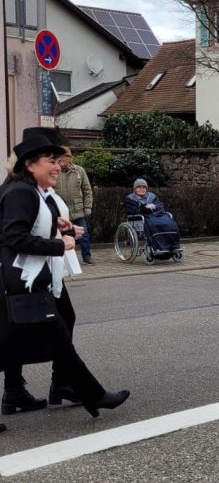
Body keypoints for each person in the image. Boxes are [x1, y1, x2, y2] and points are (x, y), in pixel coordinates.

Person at [0, 131, 130, 429]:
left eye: (58, 161)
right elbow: (14, 237)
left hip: (24, 281)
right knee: (54, 338)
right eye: (51, 161)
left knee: (23, 341)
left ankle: (72, 391)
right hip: (20, 282)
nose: (58, 166)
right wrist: (61, 245)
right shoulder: (21, 192)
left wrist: (58, 227)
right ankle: (90, 393)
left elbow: (21, 228)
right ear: (30, 164)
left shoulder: (27, 191)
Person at [56, 147, 94, 265]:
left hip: (78, 210)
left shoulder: (79, 171)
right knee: (62, 236)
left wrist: (88, 207)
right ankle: (63, 260)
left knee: (84, 235)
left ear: (70, 158)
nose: (62, 159)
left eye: (65, 157)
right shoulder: (55, 171)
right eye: (60, 157)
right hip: (61, 211)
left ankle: (87, 257)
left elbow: (87, 190)